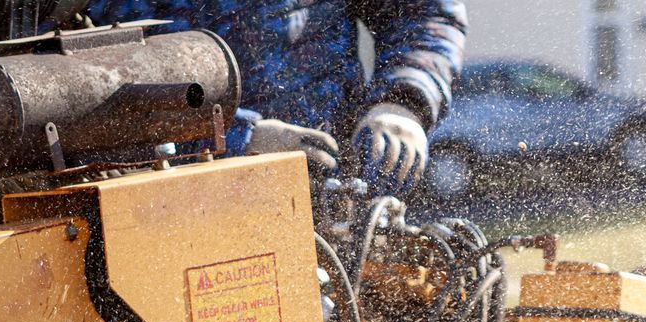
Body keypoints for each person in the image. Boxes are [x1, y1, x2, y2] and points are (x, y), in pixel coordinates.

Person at [91, 0, 467, 190]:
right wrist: (240, 140)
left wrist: (403, 102)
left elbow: (422, 13)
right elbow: (83, 92)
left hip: (334, 188)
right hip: (175, 205)